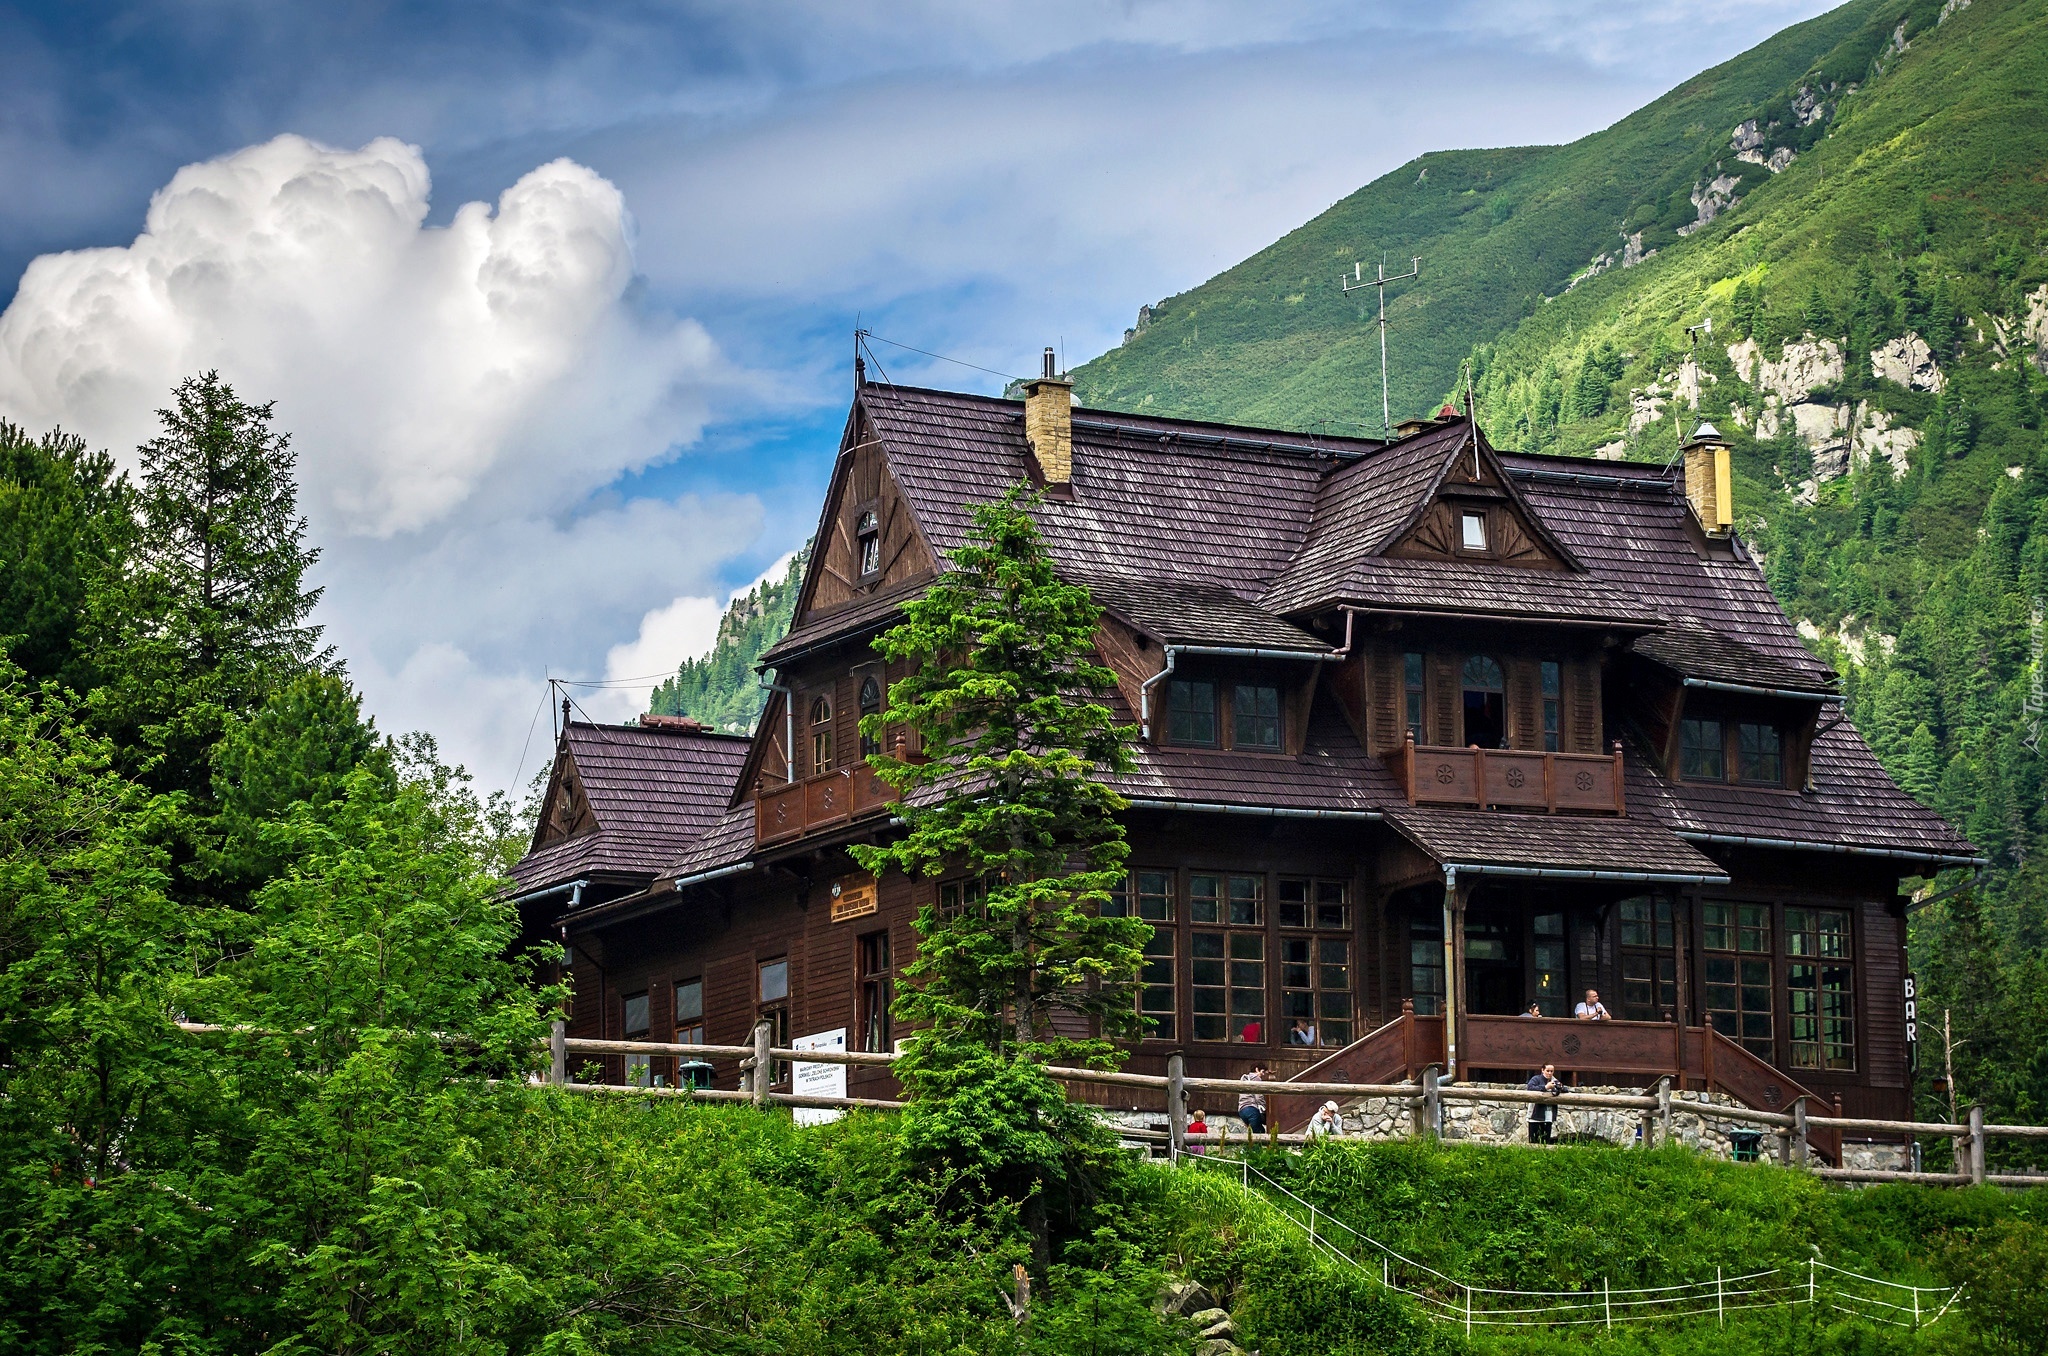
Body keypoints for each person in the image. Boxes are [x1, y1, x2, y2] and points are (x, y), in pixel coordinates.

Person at [1527, 1063, 1562, 1144]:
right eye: (1548, 1071)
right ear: (1542, 1070)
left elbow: (1565, 1090)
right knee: (1534, 1141)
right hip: (1535, 1115)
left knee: (1546, 1140)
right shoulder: (1536, 1079)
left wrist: (1561, 1088)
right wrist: (1546, 1087)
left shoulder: (1555, 1081)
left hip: (1549, 1115)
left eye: (1551, 1071)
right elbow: (1530, 1088)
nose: (1549, 1073)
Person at [1237, 1066, 1269, 1135]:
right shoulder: (1256, 1079)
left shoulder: (1244, 1079)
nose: (1263, 1074)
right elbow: (1258, 1097)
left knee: (1254, 1133)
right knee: (1260, 1134)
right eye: (1262, 1072)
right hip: (1252, 1109)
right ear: (1257, 1069)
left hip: (1242, 1110)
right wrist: (1264, 1108)